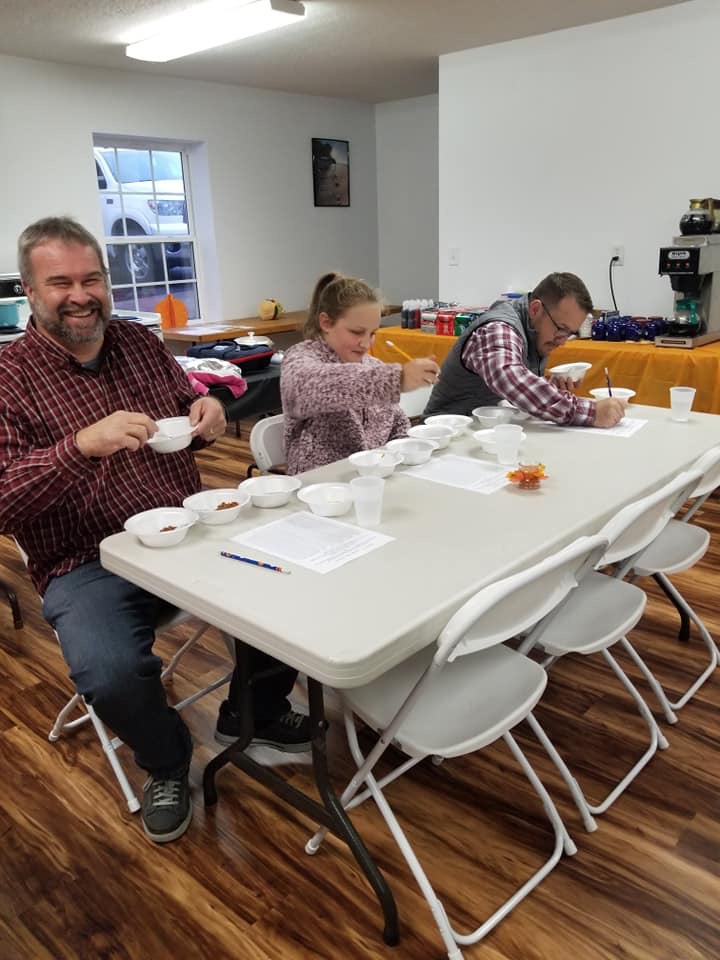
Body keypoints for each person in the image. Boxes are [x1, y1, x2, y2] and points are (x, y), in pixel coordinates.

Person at [0, 217, 309, 845]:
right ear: (30, 291)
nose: (81, 295)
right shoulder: (9, 378)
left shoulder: (138, 342)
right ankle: (166, 760)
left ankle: (252, 712)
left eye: (92, 279)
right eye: (60, 283)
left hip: (188, 527)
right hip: (88, 559)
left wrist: (207, 412)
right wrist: (78, 447)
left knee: (291, 578)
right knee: (110, 671)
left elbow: (182, 410)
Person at [281, 272, 440, 473]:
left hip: (373, 478)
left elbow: (398, 425)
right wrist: (397, 379)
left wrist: (405, 460)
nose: (366, 344)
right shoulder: (299, 359)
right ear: (326, 323)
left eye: (372, 333)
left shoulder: (373, 366)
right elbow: (312, 387)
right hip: (321, 483)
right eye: (356, 332)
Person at [424, 273, 627, 428]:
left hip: (483, 430)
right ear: (535, 309)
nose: (563, 341)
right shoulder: (497, 328)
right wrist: (591, 412)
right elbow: (510, 378)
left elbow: (515, 384)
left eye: (570, 333)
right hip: (447, 436)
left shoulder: (532, 329)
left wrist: (547, 385)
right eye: (561, 328)